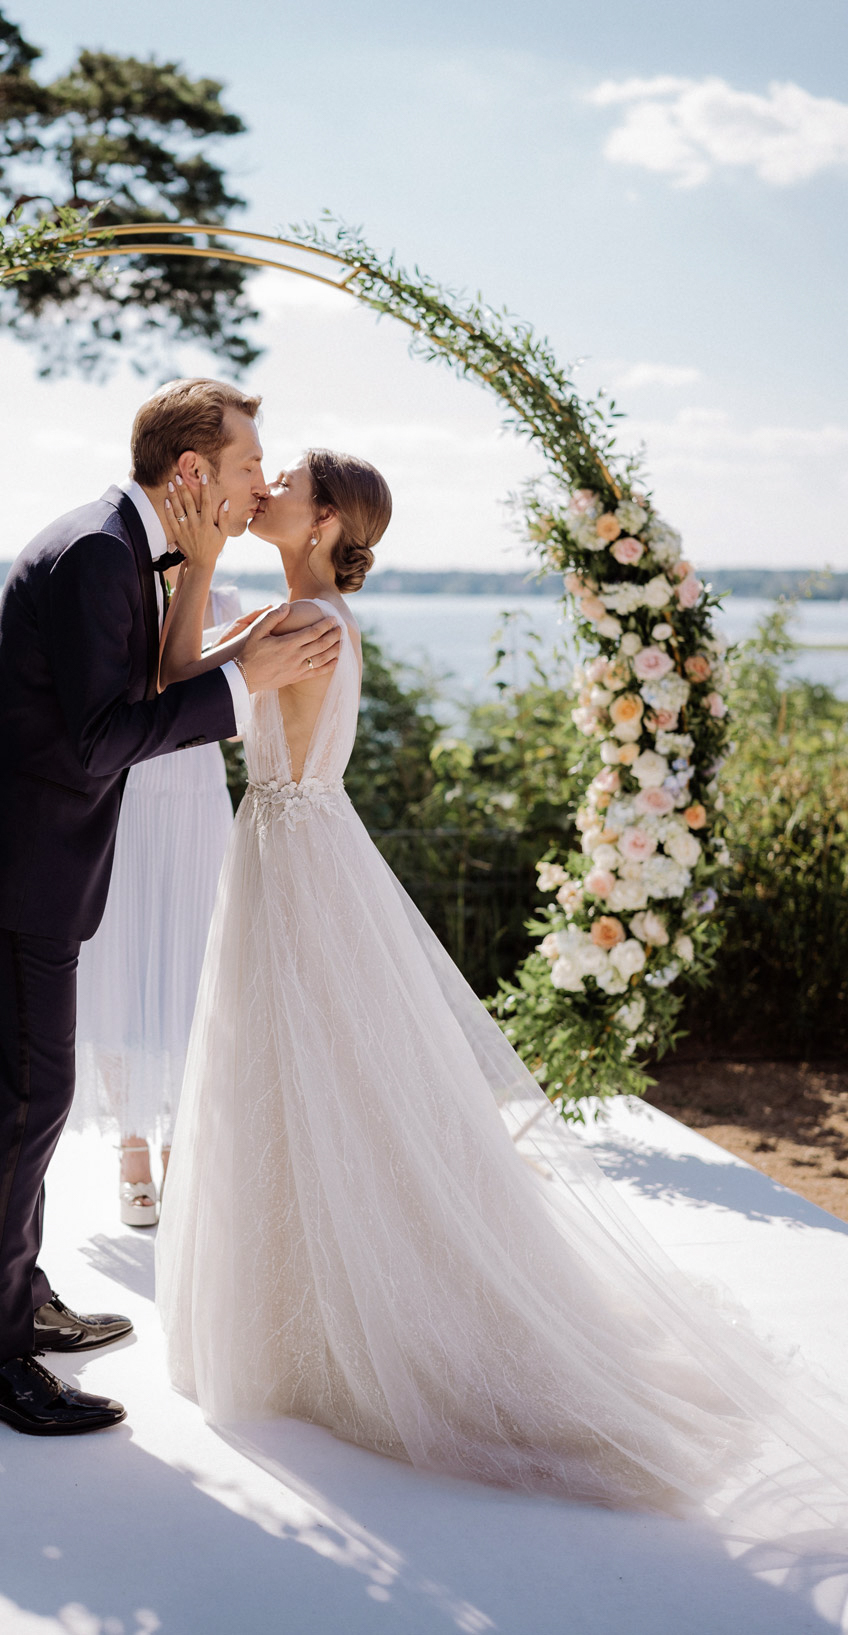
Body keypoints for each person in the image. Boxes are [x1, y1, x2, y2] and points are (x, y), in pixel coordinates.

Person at [155, 449, 848, 1544]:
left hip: (297, 858)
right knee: (297, 1076)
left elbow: (172, 688)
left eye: (283, 479)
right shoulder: (303, 610)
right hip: (293, 850)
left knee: (320, 1075)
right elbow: (191, 671)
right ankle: (302, 1318)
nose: (265, 485)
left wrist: (193, 562)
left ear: (325, 520)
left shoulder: (310, 624)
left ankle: (371, 1324)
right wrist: (201, 570)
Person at [0, 380, 342, 1438]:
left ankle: (12, 1301)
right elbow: (104, 739)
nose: (260, 483)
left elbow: (127, 703)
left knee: (9, 1103)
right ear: (191, 471)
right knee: (29, 1103)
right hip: (21, 864)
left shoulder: (123, 541)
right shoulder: (104, 553)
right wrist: (248, 687)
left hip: (19, 856)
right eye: (251, 465)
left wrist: (214, 627)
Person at [72, 571, 245, 1227]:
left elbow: (235, 722)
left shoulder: (226, 602)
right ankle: (132, 1151)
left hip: (197, 805)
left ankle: (181, 1147)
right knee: (120, 972)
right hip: (126, 800)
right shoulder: (118, 594)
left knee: (189, 980)